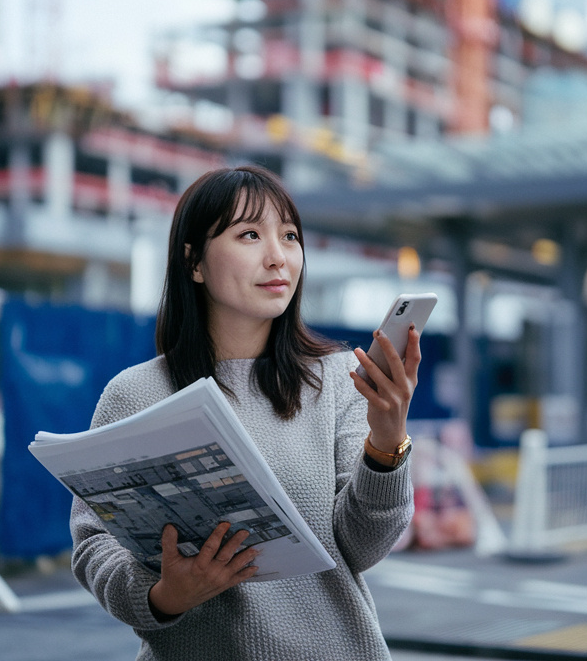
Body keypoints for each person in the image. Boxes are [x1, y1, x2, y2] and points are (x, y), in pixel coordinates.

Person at [70, 165, 420, 661]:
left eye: (290, 236)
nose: (278, 257)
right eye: (250, 234)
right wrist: (166, 596)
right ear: (193, 262)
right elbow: (94, 547)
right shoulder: (136, 394)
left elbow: (362, 548)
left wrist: (387, 442)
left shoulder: (337, 381)